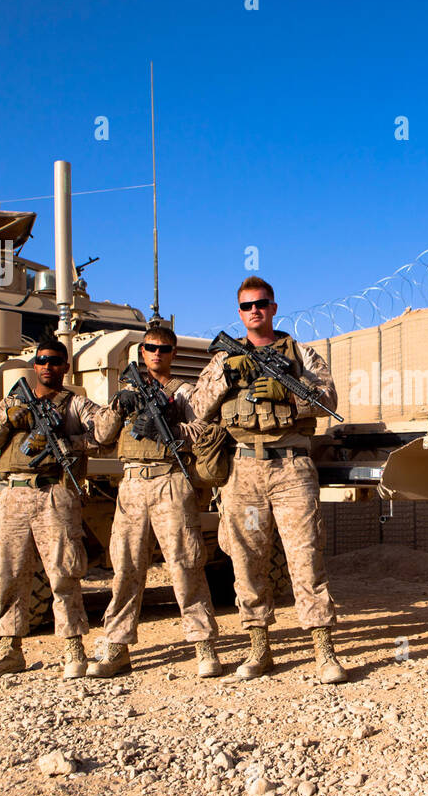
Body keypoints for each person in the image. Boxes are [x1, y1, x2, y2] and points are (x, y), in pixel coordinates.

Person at [190, 276, 348, 684]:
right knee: (246, 561)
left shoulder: (300, 353)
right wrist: (227, 374)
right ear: (239, 313)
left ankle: (324, 650)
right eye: (246, 306)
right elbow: (196, 408)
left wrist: (285, 393)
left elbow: (328, 400)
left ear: (274, 307)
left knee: (305, 556)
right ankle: (260, 648)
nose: (254, 310)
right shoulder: (224, 358)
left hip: (291, 468)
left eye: (261, 303)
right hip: (243, 469)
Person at [88, 325, 222, 678]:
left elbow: (205, 432)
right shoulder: (127, 391)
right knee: (126, 568)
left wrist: (172, 429)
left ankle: (203, 644)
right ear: (142, 352)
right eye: (150, 348)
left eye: (164, 349)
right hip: (131, 484)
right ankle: (117, 646)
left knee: (185, 564)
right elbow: (101, 435)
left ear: (173, 353)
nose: (157, 354)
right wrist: (119, 407)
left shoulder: (184, 393)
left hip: (170, 481)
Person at [0, 337, 100, 682]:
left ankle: (74, 648)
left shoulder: (75, 405)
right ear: (35, 364)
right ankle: (10, 650)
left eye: (55, 361)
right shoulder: (13, 401)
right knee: (10, 574)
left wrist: (66, 443)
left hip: (54, 493)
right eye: (42, 360)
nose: (47, 366)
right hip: (14, 495)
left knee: (63, 573)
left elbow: (104, 435)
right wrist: (7, 420)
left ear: (65, 366)